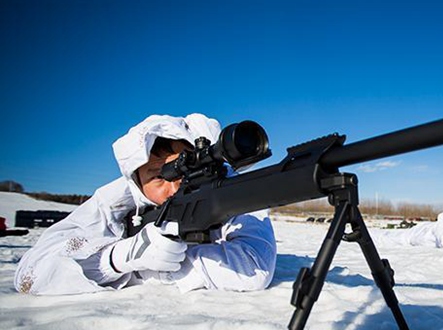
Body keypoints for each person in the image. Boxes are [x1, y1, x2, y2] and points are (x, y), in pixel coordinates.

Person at [14, 114, 276, 295]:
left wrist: (152, 271)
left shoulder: (225, 187)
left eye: (182, 169)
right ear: (136, 181)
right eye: (157, 176)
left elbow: (255, 267)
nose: (174, 186)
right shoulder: (116, 201)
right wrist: (120, 257)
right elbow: (30, 275)